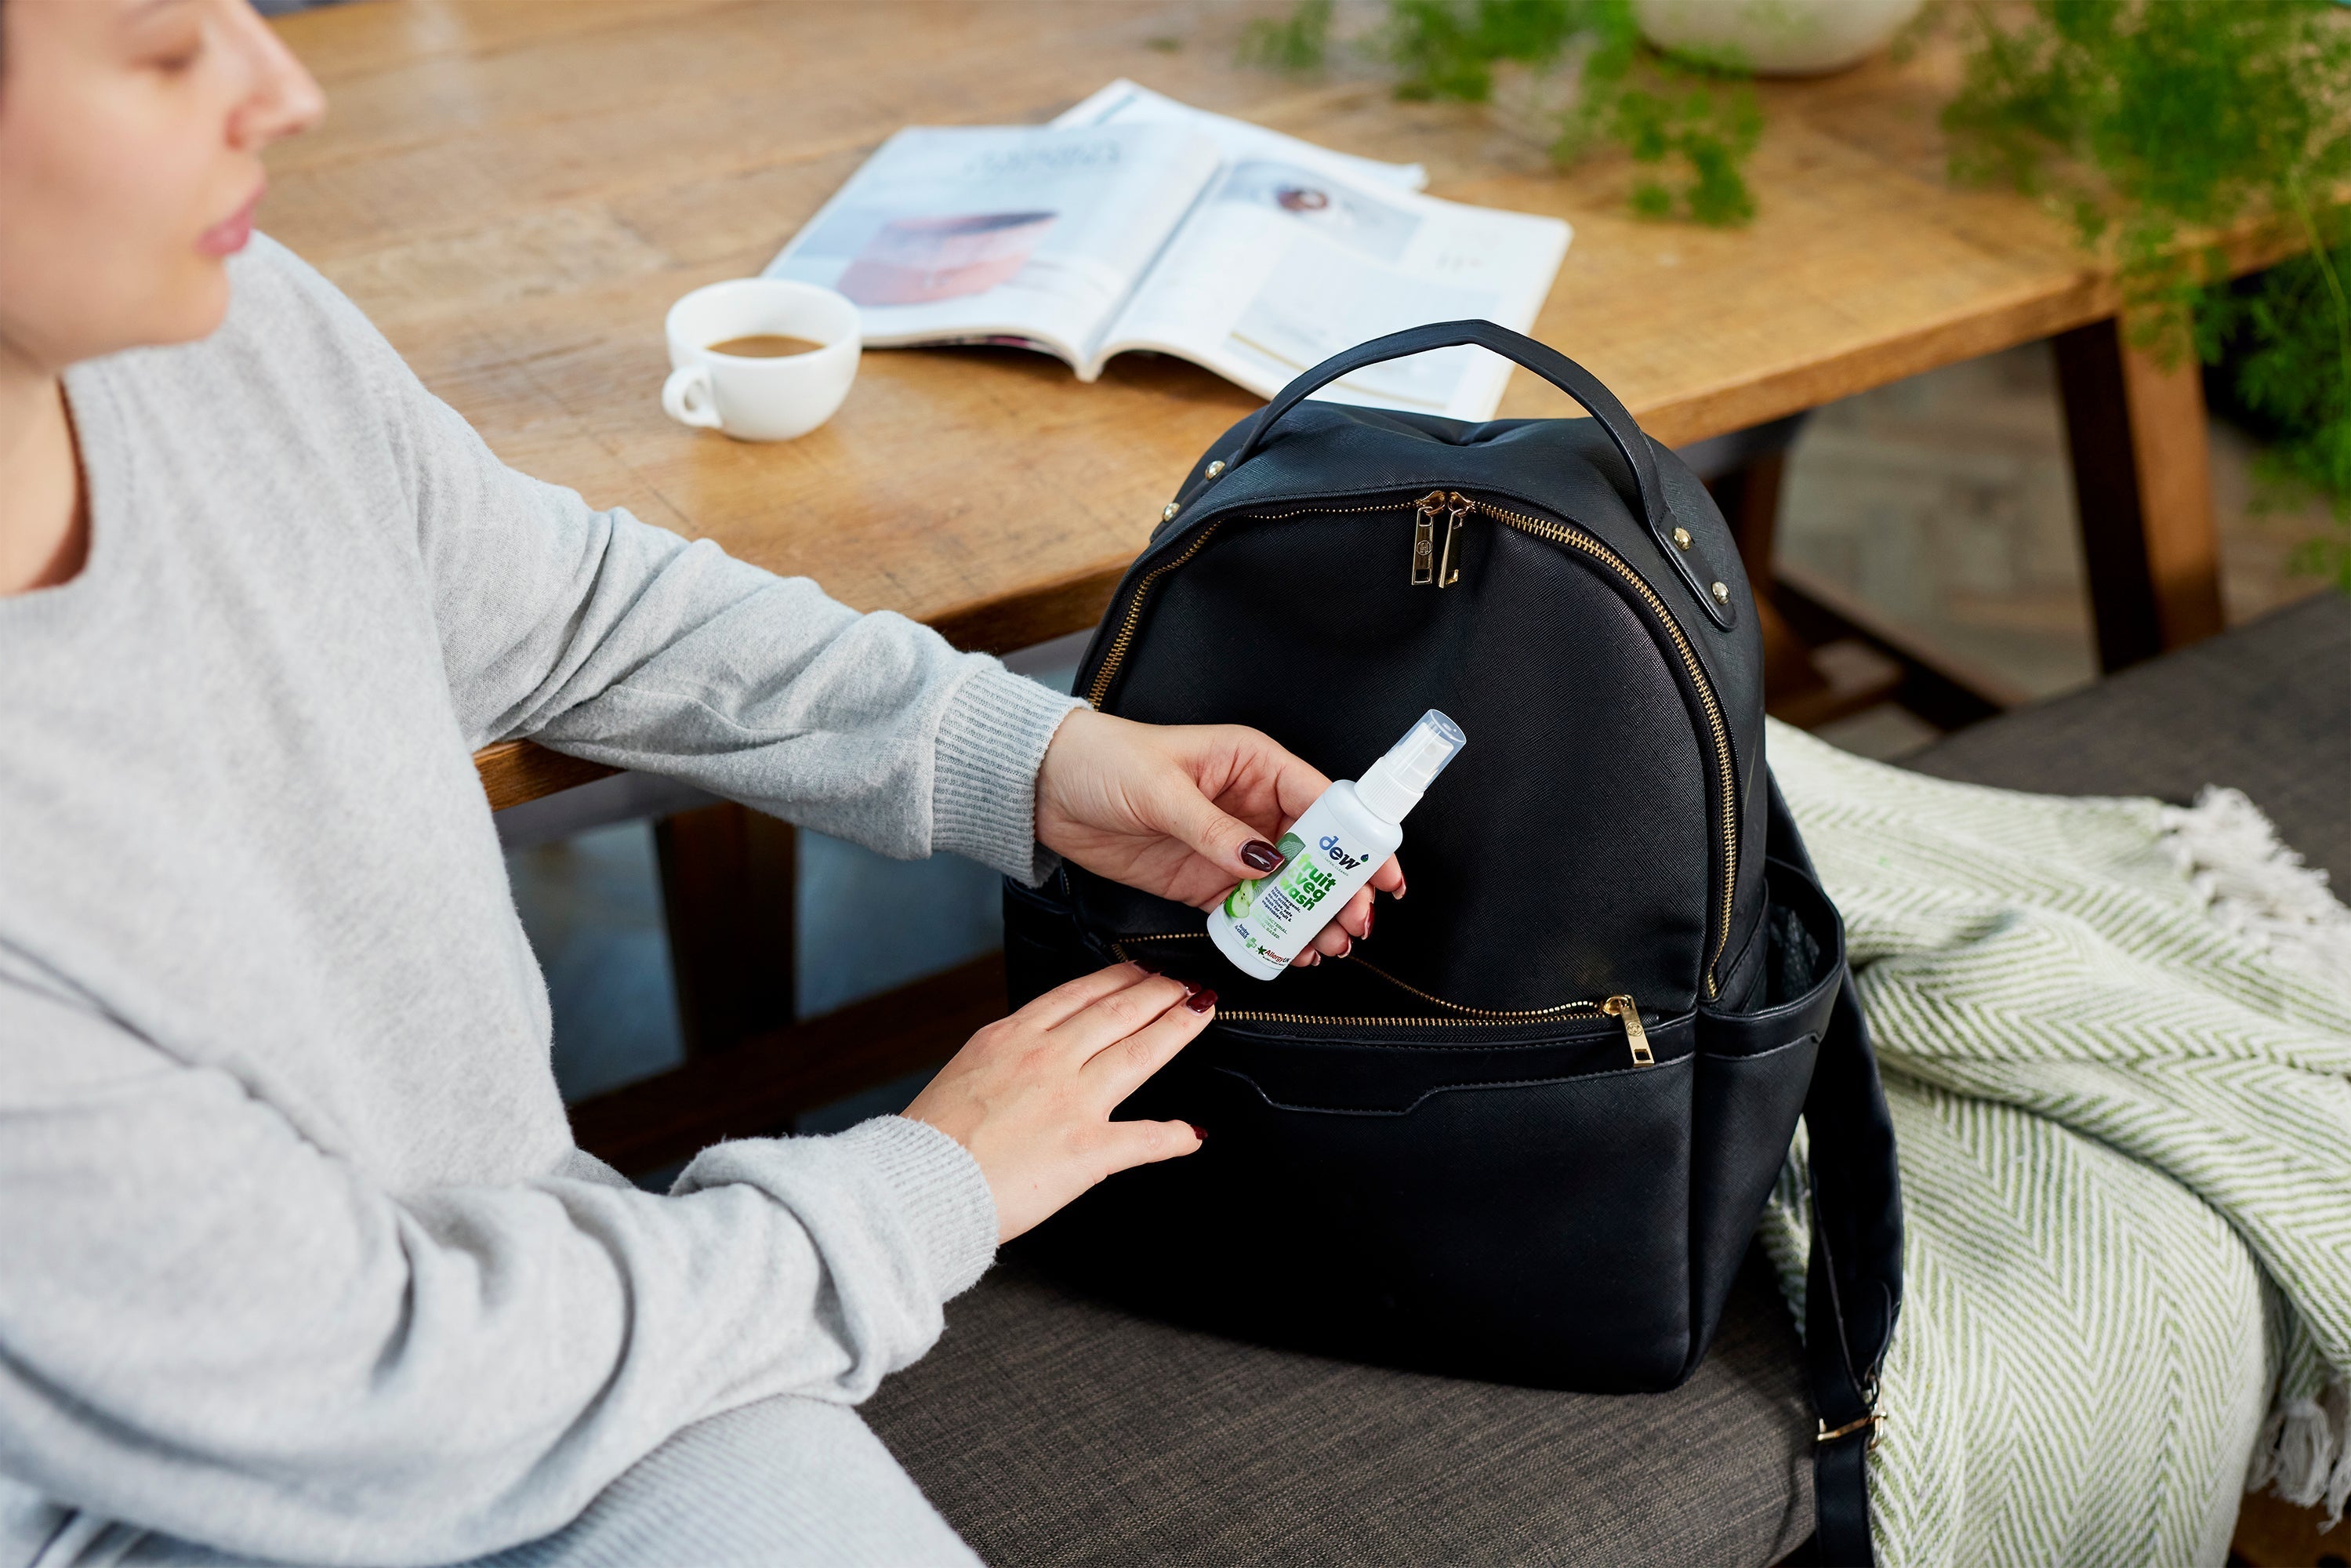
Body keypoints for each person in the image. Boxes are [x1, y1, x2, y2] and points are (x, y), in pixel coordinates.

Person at [0, 1, 1399, 1563]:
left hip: (557, 1303)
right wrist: (921, 1193)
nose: (286, 87)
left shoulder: (226, 319)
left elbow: (566, 607)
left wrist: (1034, 760)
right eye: (161, 48)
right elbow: (378, 1388)